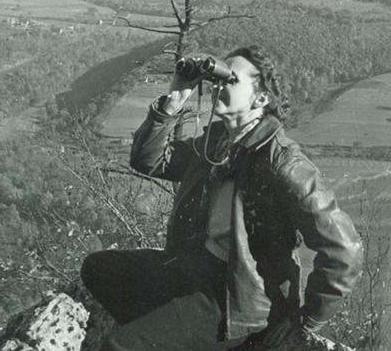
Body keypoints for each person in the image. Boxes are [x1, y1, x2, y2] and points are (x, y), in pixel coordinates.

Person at [80, 45, 363, 350]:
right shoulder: (218, 140)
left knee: (120, 346)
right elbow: (150, 161)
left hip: (238, 296)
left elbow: (344, 249)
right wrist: (172, 103)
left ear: (261, 98)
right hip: (194, 269)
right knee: (99, 269)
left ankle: (202, 338)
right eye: (218, 78)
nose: (218, 86)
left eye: (230, 80)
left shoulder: (284, 162)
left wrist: (306, 321)